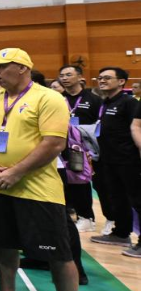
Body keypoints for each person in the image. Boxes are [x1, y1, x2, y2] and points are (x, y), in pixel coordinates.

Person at [0, 48, 83, 291]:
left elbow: (54, 143)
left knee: (58, 254)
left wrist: (16, 172)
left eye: (1, 66)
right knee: (2, 244)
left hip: (38, 190)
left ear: (22, 68)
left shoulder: (49, 98)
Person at [89, 67, 141, 255]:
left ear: (121, 81)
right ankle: (121, 233)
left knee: (137, 199)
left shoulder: (129, 103)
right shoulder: (105, 102)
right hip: (108, 159)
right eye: (100, 78)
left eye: (107, 78)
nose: (102, 81)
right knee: (117, 197)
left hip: (128, 159)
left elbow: (136, 128)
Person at [57, 65, 101, 232]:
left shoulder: (93, 99)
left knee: (81, 182)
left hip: (84, 149)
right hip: (62, 146)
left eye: (69, 75)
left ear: (80, 77)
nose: (64, 78)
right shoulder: (58, 99)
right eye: (62, 75)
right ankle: (72, 214)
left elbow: (99, 125)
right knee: (66, 181)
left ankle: (87, 217)